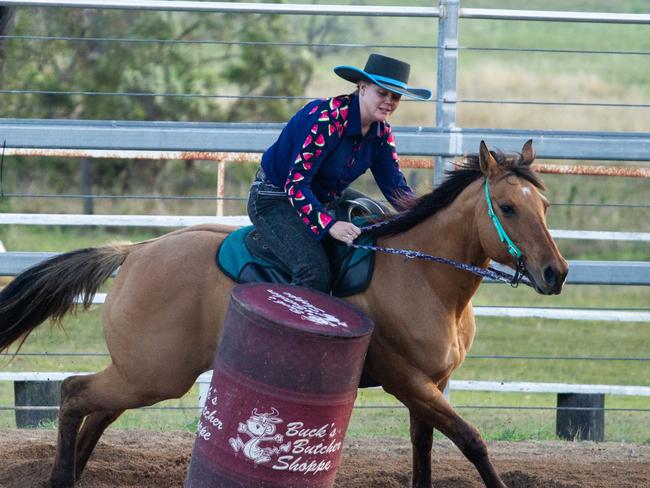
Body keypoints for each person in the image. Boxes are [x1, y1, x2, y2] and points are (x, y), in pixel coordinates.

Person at [247, 53, 432, 292]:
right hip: (275, 198)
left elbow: (396, 188)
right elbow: (295, 185)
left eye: (395, 96)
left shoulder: (382, 134)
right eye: (382, 93)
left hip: (325, 196)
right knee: (313, 273)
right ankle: (297, 327)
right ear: (362, 88)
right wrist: (330, 225)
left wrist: (425, 218)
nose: (389, 101)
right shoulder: (326, 120)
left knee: (382, 223)